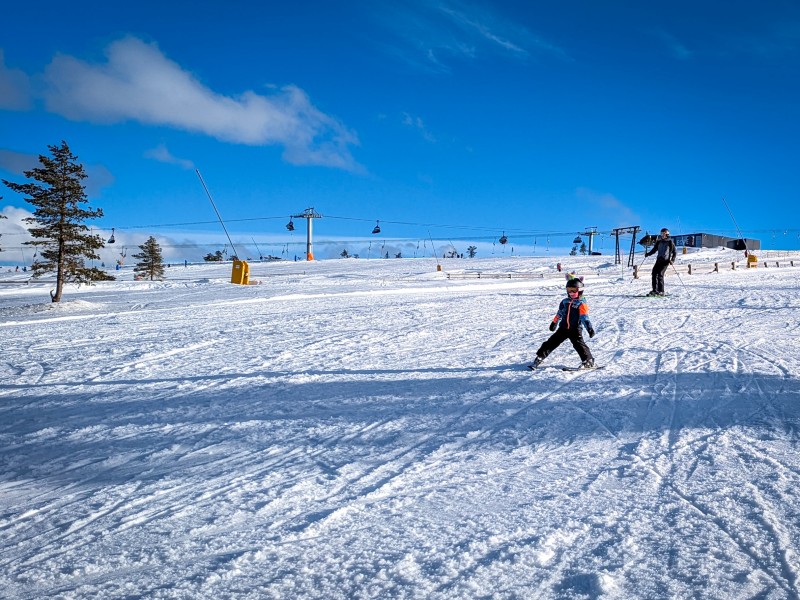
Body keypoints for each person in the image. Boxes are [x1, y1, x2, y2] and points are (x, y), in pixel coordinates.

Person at [529, 278, 595, 369]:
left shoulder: (581, 304)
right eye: (569, 290)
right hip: (563, 328)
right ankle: (540, 357)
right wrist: (554, 322)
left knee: (579, 345)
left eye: (574, 290)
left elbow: (584, 317)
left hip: (575, 329)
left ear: (580, 290)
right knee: (551, 342)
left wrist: (589, 328)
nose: (571, 292)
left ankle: (588, 361)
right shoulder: (565, 301)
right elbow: (560, 313)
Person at [645, 227, 677, 296]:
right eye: (661, 234)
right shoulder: (659, 242)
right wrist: (648, 254)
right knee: (654, 273)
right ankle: (655, 290)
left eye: (663, 234)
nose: (662, 235)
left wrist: (672, 260)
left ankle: (661, 291)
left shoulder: (670, 242)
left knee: (660, 274)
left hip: (665, 261)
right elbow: (654, 250)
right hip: (659, 260)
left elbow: (674, 252)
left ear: (667, 234)